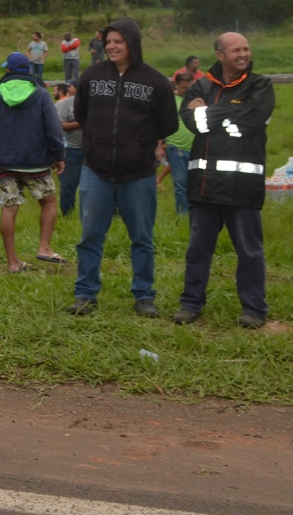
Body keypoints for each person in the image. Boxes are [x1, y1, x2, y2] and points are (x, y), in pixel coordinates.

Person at [67, 17, 178, 317]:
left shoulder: (155, 81)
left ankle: (144, 296)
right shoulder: (91, 76)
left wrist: (141, 147)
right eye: (108, 42)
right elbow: (82, 114)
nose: (112, 46)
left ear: (132, 43)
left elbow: (168, 123)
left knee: (141, 238)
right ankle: (85, 294)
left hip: (138, 175)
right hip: (96, 171)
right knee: (90, 236)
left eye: (119, 41)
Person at [175, 33, 274, 328]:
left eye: (246, 49)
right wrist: (229, 113)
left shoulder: (260, 85)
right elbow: (193, 123)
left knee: (250, 252)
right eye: (236, 50)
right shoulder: (200, 86)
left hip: (242, 188)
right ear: (220, 55)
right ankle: (191, 303)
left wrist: (206, 113)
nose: (243, 54)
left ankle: (254, 309)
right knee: (197, 251)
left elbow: (248, 122)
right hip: (204, 185)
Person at [0, 52, 66, 272]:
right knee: (48, 202)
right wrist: (59, 156)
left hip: (5, 162)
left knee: (9, 208)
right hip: (37, 161)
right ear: (28, 70)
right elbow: (54, 129)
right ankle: (44, 247)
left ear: (8, 70)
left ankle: (13, 262)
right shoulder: (41, 94)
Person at [156, 71, 195, 216]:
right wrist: (159, 145)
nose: (187, 91)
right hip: (176, 147)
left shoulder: (196, 100)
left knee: (194, 184)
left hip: (196, 148)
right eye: (184, 87)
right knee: (180, 183)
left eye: (189, 87)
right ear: (176, 85)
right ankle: (183, 214)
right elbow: (160, 123)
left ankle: (195, 213)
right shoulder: (170, 101)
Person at [54, 82, 83, 216]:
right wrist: (81, 122)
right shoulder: (65, 104)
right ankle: (67, 215)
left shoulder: (97, 103)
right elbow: (59, 125)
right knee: (68, 186)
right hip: (71, 150)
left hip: (94, 151)